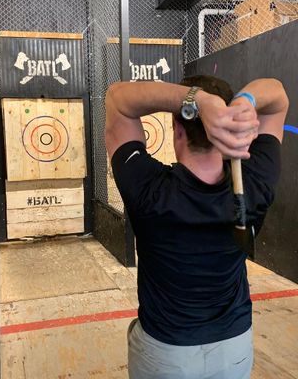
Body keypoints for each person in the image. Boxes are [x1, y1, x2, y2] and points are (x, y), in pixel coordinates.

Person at [105, 75, 289, 379]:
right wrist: (243, 103)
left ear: (177, 129)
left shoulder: (149, 190)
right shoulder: (255, 183)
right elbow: (278, 96)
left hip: (166, 355)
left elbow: (117, 99)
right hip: (233, 348)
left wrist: (196, 101)